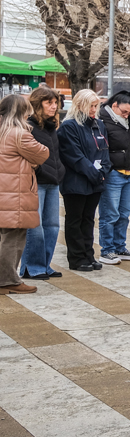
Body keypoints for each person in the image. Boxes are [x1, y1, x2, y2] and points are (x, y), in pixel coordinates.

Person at [0, 95, 49, 294]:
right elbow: (42, 153)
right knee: (14, 238)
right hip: (15, 195)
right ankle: (8, 280)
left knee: (4, 237)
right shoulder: (19, 134)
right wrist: (31, 162)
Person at [57, 90, 110, 272]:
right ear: (80, 105)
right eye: (91, 106)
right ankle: (76, 258)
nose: (94, 110)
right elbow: (75, 156)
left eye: (96, 106)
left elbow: (105, 153)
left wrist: (104, 172)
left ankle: (88, 254)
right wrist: (95, 174)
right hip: (76, 182)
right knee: (75, 220)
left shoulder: (99, 125)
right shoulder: (69, 127)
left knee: (88, 219)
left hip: (95, 182)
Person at [21, 87, 64, 280]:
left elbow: (55, 155)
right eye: (49, 103)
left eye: (55, 103)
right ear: (38, 104)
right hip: (35, 183)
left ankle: (45, 265)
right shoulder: (28, 126)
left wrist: (59, 171)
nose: (54, 106)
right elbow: (26, 156)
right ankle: (31, 267)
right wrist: (39, 170)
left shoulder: (51, 126)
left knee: (52, 226)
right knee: (35, 227)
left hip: (53, 182)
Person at [97, 90, 130, 264]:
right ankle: (107, 250)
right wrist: (107, 169)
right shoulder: (103, 121)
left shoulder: (127, 122)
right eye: (124, 111)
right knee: (110, 214)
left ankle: (119, 247)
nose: (127, 115)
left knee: (124, 213)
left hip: (129, 171)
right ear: (114, 105)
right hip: (113, 172)